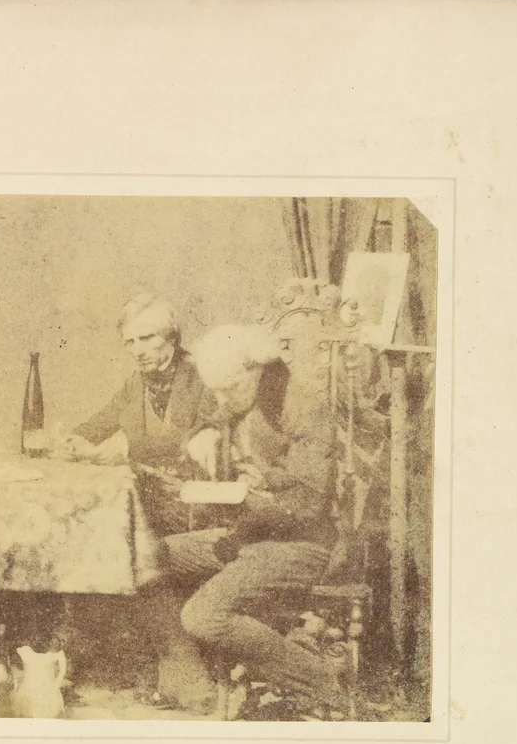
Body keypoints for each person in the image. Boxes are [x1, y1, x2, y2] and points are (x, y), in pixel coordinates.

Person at [149, 324, 350, 715]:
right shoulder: (237, 393)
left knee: (203, 617)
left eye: (229, 389)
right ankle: (189, 675)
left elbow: (308, 505)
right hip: (252, 533)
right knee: (148, 555)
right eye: (217, 390)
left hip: (301, 545)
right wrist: (202, 434)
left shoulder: (305, 407)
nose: (222, 399)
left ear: (255, 371)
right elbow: (211, 415)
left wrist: (250, 496)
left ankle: (320, 679)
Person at [56, 292, 216, 533]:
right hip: (152, 499)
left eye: (146, 338)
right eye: (129, 342)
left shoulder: (203, 374)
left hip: (197, 505)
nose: (137, 350)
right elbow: (102, 420)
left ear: (171, 337)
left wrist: (128, 450)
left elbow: (195, 439)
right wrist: (76, 439)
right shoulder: (136, 383)